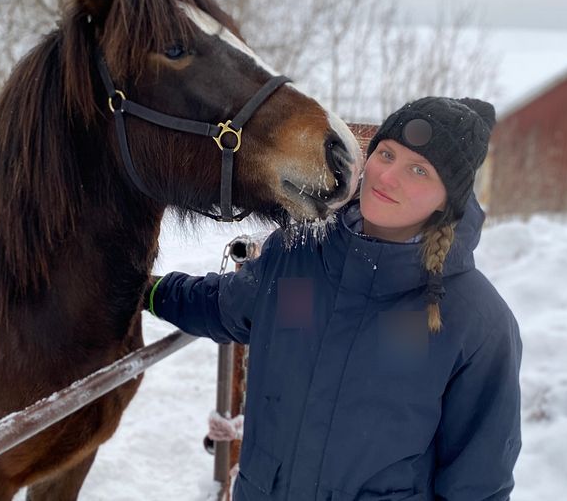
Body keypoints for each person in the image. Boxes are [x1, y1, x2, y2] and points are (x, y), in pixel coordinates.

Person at [146, 97, 522, 500]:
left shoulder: (472, 320)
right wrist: (146, 290)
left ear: (449, 198)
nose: (388, 176)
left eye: (418, 170)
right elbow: (225, 306)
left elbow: (478, 485)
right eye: (386, 154)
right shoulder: (299, 258)